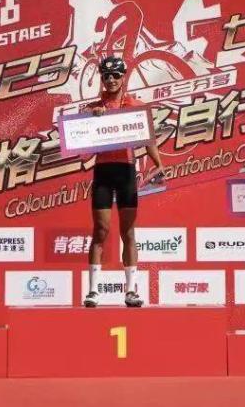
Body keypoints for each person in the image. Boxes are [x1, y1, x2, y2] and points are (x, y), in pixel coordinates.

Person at [83, 57, 168, 308]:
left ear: (123, 77)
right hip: (103, 171)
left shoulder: (136, 106)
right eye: (106, 76)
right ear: (102, 79)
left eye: (115, 75)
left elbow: (148, 139)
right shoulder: (93, 107)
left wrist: (159, 163)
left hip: (126, 171)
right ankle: (93, 291)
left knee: (128, 231)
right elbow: (79, 140)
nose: (111, 80)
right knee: (100, 230)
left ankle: (131, 291)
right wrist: (91, 117)